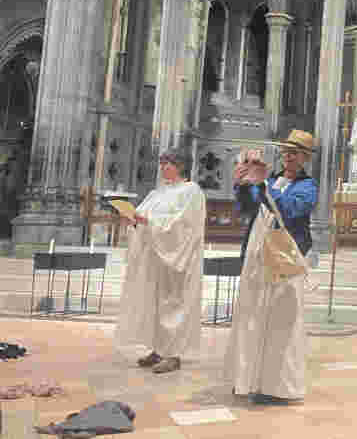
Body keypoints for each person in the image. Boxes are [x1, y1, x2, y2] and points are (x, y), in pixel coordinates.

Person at [224, 130, 317, 404]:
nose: (289, 156)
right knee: (252, 317)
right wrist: (242, 184)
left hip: (286, 259)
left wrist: (264, 184)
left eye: (295, 152)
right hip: (258, 255)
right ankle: (247, 379)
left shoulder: (308, 186)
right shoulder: (272, 179)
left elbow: (289, 210)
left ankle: (277, 388)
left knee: (280, 322)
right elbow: (248, 208)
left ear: (305, 158)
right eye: (286, 151)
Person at [115, 147, 206, 374]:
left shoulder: (191, 191)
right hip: (155, 256)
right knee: (154, 303)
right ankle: (157, 349)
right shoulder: (157, 193)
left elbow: (185, 224)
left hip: (176, 258)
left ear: (181, 166)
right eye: (162, 163)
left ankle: (173, 354)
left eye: (169, 163)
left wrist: (150, 221)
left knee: (173, 303)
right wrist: (133, 220)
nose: (163, 167)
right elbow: (143, 218)